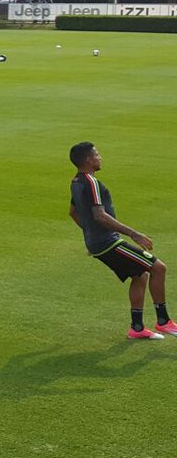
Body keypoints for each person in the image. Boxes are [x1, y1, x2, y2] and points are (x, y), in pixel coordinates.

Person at [69, 142, 174, 339]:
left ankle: (137, 328)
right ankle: (163, 321)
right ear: (89, 160)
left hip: (99, 243)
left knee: (140, 274)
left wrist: (90, 236)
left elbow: (73, 212)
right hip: (108, 242)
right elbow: (100, 215)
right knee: (158, 268)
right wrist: (133, 233)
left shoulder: (76, 182)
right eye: (97, 154)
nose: (100, 157)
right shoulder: (91, 183)